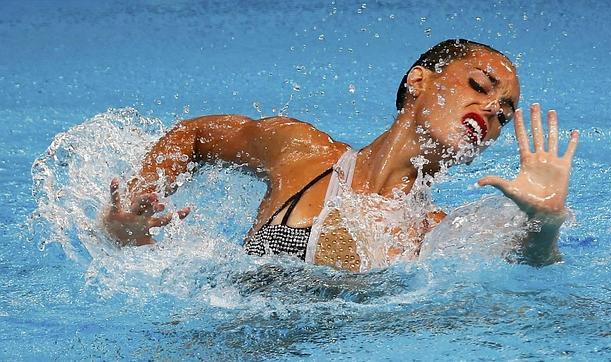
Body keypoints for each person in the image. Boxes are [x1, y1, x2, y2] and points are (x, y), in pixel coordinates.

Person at [102, 39, 579, 271]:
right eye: (479, 86)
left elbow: (525, 275)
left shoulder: (434, 234)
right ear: (418, 81)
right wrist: (140, 203)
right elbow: (194, 136)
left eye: (504, 112)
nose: (492, 110)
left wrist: (545, 225)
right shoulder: (302, 154)